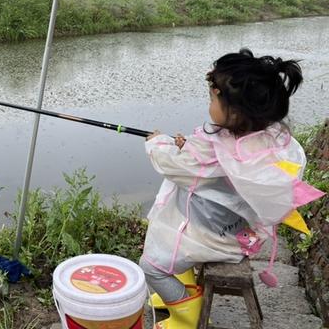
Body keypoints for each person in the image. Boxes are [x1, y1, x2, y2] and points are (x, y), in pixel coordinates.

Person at [139, 48, 324, 329]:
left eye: (212, 98)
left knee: (151, 266)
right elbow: (209, 160)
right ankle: (184, 289)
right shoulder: (271, 139)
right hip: (241, 232)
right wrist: (187, 145)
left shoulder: (209, 151)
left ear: (235, 113)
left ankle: (186, 316)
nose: (209, 103)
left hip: (211, 238)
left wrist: (157, 141)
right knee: (170, 224)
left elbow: (170, 164)